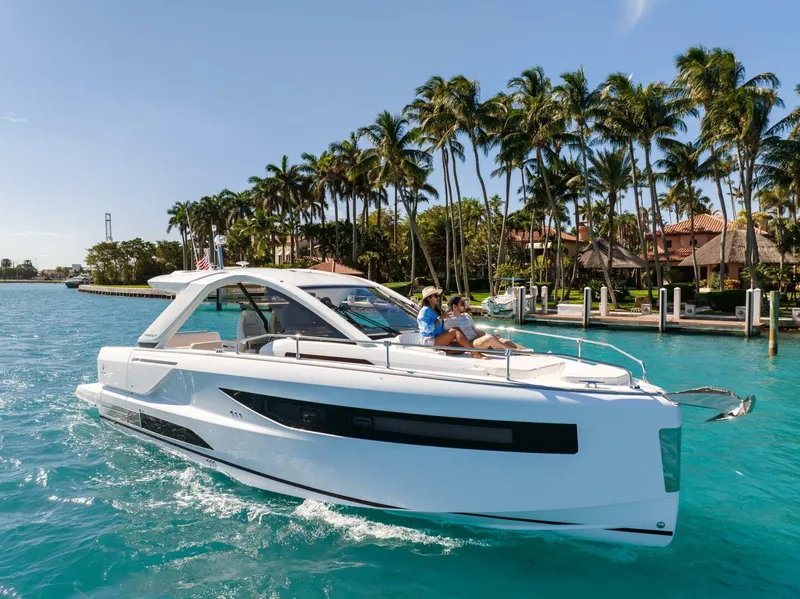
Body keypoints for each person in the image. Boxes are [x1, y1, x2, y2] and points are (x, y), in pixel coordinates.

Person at [417, 286, 486, 359]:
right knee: (455, 330)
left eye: (438, 296)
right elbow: (427, 329)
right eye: (436, 296)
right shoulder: (424, 311)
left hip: (437, 339)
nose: (438, 298)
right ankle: (474, 353)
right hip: (428, 340)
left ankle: (445, 350)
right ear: (428, 298)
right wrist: (440, 318)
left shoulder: (435, 311)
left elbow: (441, 329)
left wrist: (451, 337)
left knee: (461, 345)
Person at [444, 295, 526, 352]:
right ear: (455, 306)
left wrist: (489, 335)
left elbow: (475, 329)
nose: (464, 305)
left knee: (505, 341)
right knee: (489, 339)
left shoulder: (466, 316)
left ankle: (528, 352)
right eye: (462, 304)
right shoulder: (448, 320)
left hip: (478, 339)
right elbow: (449, 337)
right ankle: (514, 351)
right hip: (470, 343)